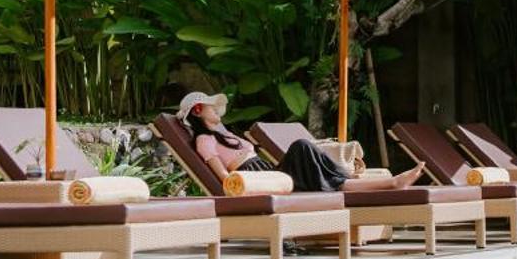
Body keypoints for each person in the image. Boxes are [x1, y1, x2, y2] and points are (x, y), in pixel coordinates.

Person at [176, 92, 425, 194]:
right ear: (197, 111)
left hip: (265, 171)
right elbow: (222, 176)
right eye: (211, 106)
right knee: (301, 146)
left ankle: (386, 182)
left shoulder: (224, 135)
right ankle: (390, 182)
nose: (218, 110)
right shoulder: (204, 140)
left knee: (305, 148)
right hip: (252, 179)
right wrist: (240, 187)